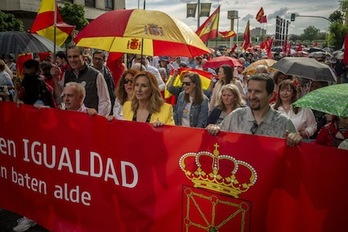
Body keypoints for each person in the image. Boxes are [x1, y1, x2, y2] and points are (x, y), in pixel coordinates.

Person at [206, 74, 302, 147]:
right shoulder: (236, 116)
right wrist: (214, 129)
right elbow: (218, 139)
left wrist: (295, 140)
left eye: (258, 92)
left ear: (271, 95)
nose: (251, 96)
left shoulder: (283, 122)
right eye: (250, 91)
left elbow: (293, 157)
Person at [58, 44, 111, 116]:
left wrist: (98, 120)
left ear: (83, 57)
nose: (72, 60)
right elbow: (60, 98)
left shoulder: (96, 75)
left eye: (75, 56)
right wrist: (55, 79)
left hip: (89, 122)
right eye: (69, 57)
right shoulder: (66, 75)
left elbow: (105, 102)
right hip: (70, 121)